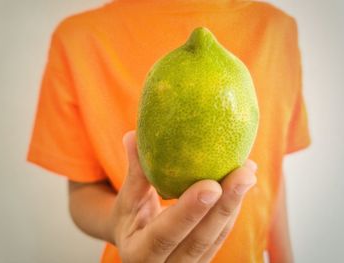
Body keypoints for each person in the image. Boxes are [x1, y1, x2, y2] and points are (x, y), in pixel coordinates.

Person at [27, 0, 311, 262]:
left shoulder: (279, 30)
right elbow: (82, 191)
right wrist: (117, 224)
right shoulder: (78, 39)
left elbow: (272, 172)